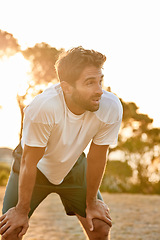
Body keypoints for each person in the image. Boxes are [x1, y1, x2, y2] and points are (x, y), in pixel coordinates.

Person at [0, 46, 123, 240]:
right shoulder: (43, 108)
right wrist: (21, 210)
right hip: (34, 168)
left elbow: (98, 156)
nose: (99, 90)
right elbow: (28, 162)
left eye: (100, 81)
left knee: (99, 226)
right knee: (11, 230)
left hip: (73, 167)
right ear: (66, 87)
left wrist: (92, 202)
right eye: (90, 83)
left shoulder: (110, 107)